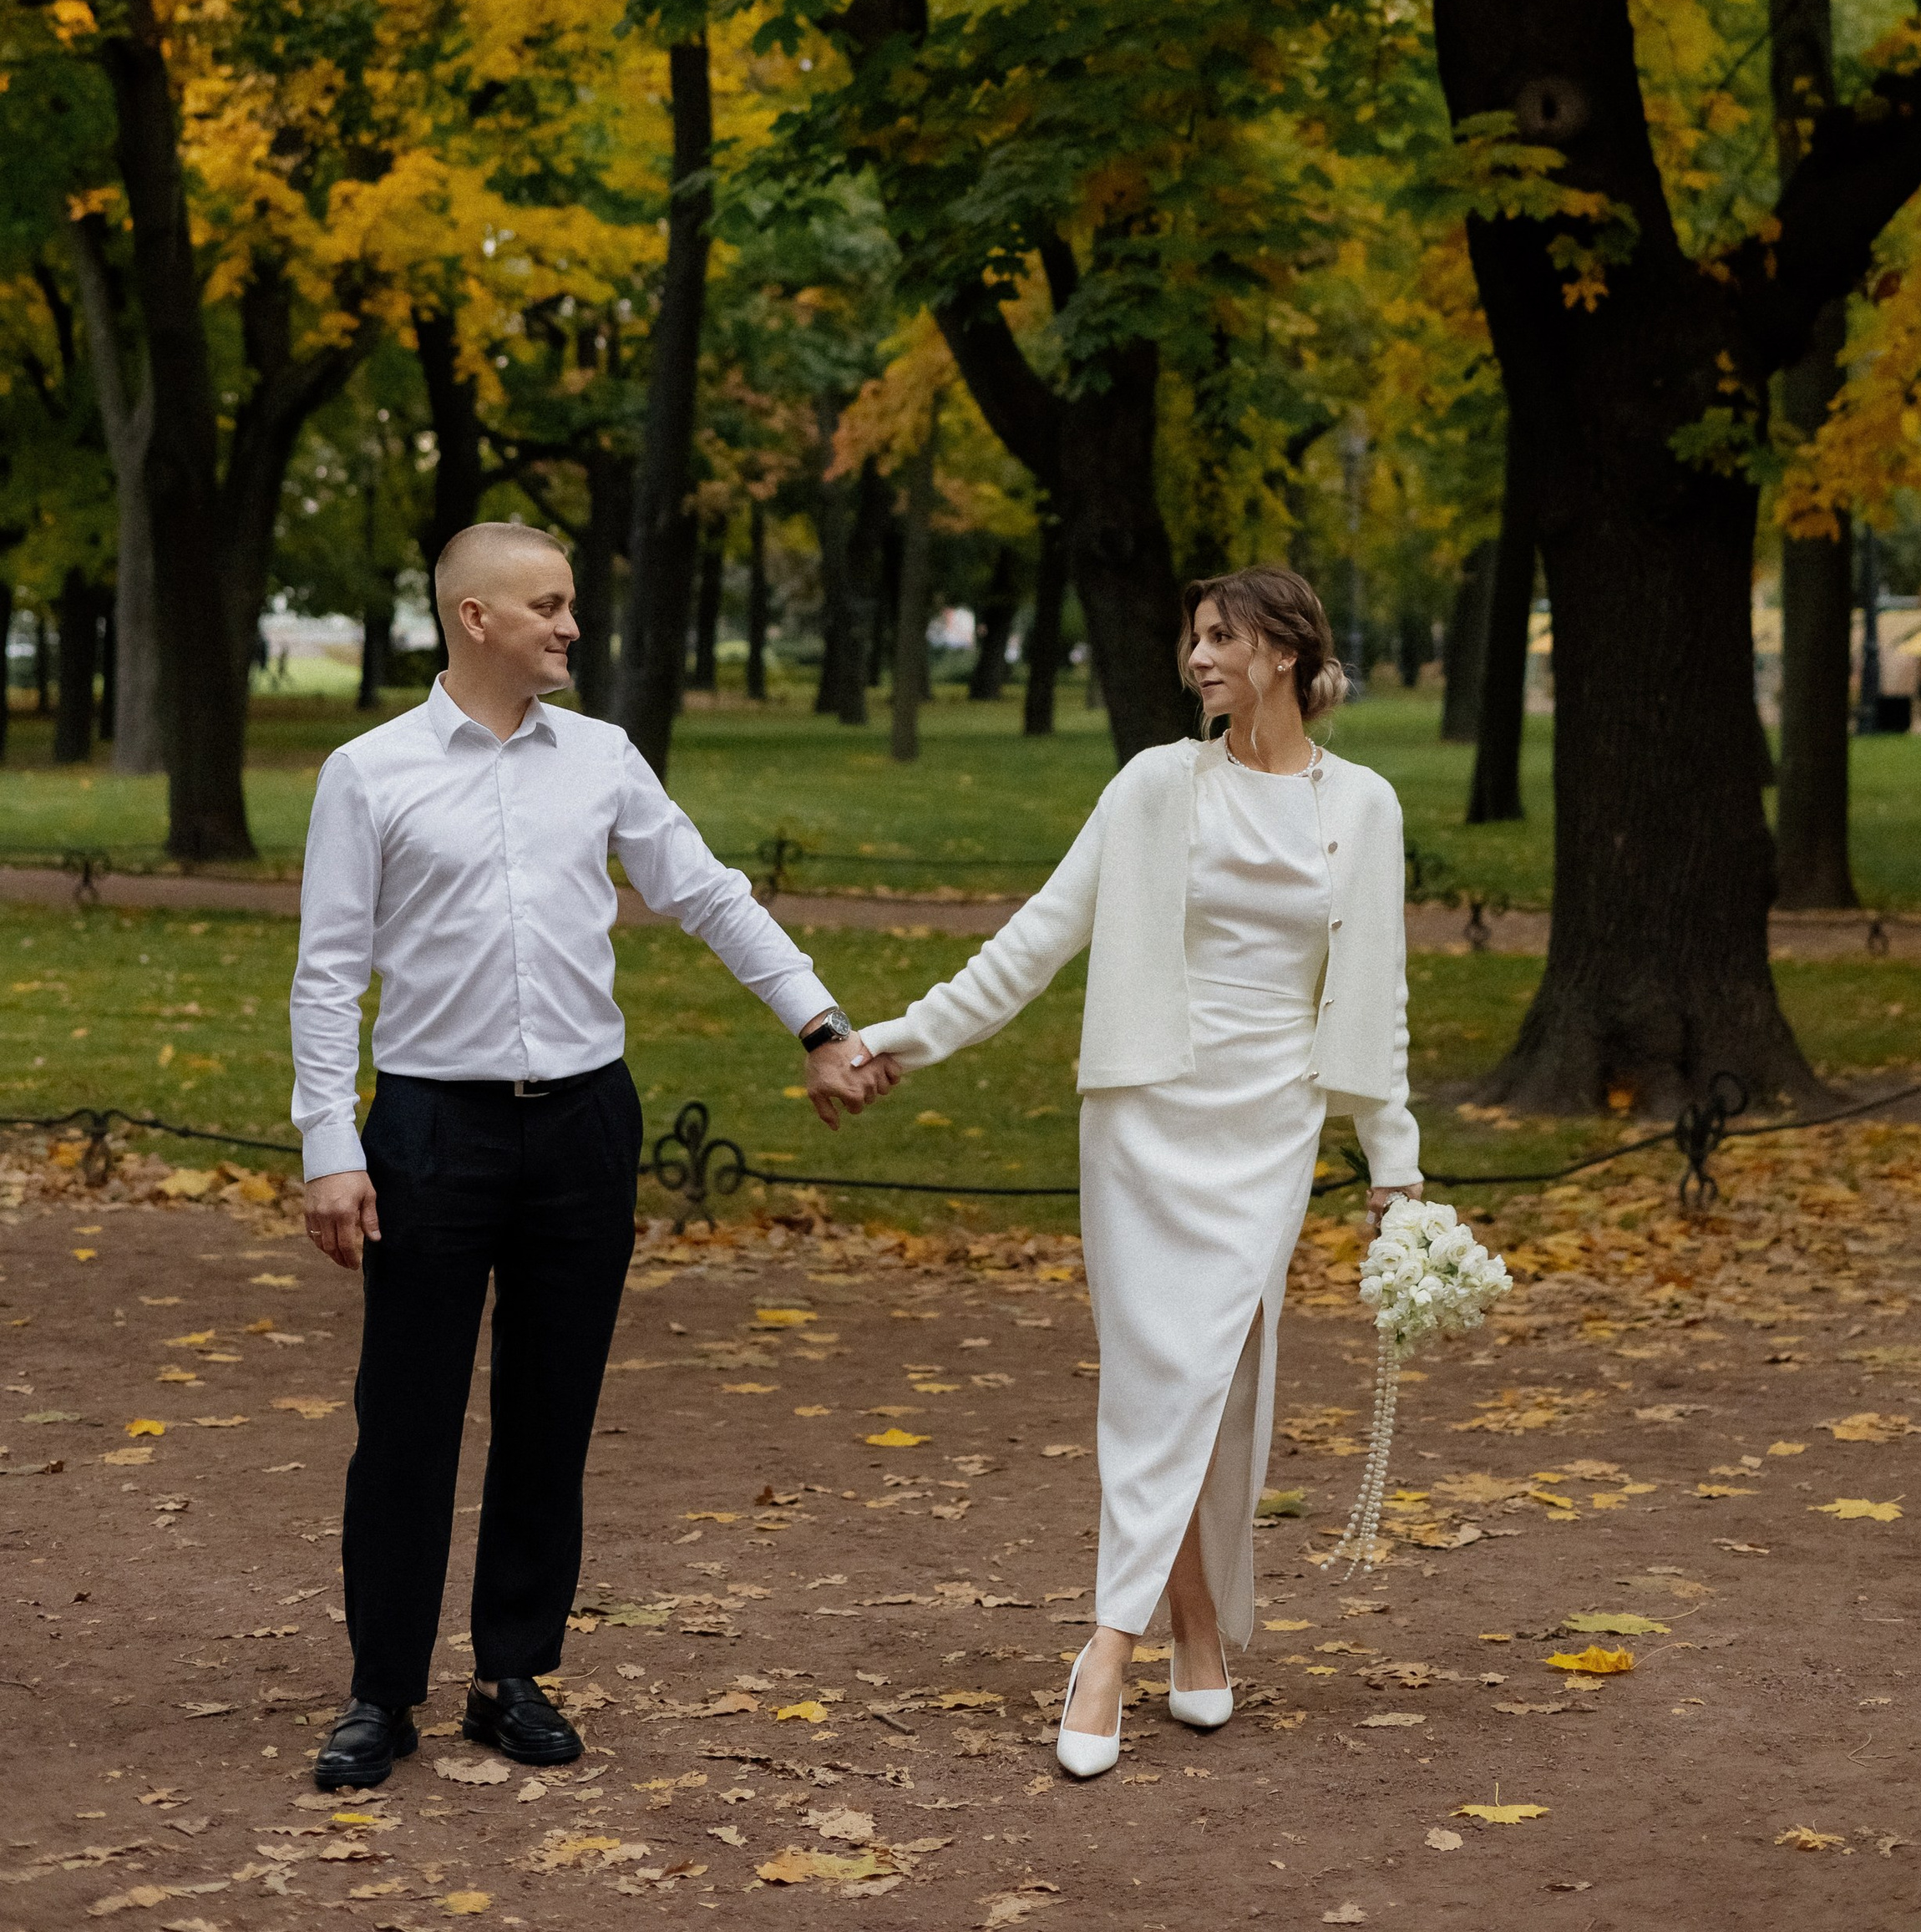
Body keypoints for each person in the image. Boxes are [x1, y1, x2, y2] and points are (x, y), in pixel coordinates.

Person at [291, 521, 895, 1794]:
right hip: (430, 1130)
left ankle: (512, 1672)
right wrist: (330, 1144)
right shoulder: (369, 770)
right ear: (475, 618)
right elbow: (330, 969)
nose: (571, 626)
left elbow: (712, 893)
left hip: (581, 1125)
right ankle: (380, 1691)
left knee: (549, 1411)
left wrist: (822, 1020)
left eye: (570, 604)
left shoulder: (604, 758)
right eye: (549, 605)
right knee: (403, 1418)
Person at [855, 565, 1422, 1780]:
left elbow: (1378, 998)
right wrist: (905, 1036)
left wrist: (1397, 1166)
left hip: (1272, 1122)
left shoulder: (1365, 806)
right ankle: (1132, 1638)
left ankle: (1174, 1625)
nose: (1197, 657)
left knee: (1212, 1381)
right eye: (1194, 637)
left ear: (1281, 651)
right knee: (1161, 1379)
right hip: (1145, 1116)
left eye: (1220, 637)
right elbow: (1039, 936)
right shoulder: (1156, 785)